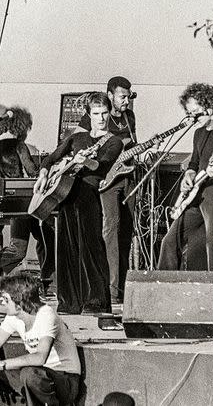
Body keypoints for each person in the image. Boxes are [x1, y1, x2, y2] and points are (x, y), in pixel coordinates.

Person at [157, 83, 213, 338]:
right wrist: (189, 175)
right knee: (169, 241)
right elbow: (194, 163)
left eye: (196, 112)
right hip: (195, 194)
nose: (194, 117)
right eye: (191, 113)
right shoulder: (198, 133)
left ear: (210, 105)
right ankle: (163, 304)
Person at [34, 92, 123, 314]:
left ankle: (96, 301)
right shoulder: (76, 138)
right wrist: (44, 173)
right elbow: (50, 158)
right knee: (66, 248)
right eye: (96, 114)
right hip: (66, 195)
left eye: (104, 113)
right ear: (88, 114)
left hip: (88, 195)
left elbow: (102, 167)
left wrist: (87, 161)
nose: (101, 118)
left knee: (92, 248)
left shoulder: (114, 141)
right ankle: (69, 302)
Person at [0, 106, 55, 285]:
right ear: (21, 127)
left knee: (44, 233)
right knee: (21, 248)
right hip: (16, 204)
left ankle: (48, 278)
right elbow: (32, 172)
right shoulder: (18, 145)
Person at [0, 273, 81, 406]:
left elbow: (40, 357)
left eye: (6, 299)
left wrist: (0, 365)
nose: (2, 303)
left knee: (29, 374)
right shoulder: (13, 317)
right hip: (36, 380)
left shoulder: (46, 314)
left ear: (19, 302)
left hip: (65, 380)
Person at [79, 76, 137, 305]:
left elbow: (131, 145)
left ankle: (122, 286)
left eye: (129, 97)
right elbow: (80, 142)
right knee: (110, 231)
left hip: (128, 177)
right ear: (110, 95)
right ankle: (111, 289)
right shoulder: (96, 117)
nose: (126, 102)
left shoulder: (129, 116)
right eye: (122, 97)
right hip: (107, 181)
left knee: (126, 232)